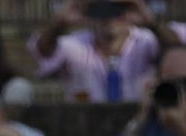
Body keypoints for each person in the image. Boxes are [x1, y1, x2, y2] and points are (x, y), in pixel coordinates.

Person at [28, 0, 177, 103]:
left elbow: (178, 50)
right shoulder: (75, 44)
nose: (110, 17)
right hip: (86, 125)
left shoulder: (147, 41)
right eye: (102, 9)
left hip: (138, 123)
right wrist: (58, 23)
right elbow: (44, 52)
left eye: (117, 9)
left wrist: (151, 23)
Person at [105, 43, 186, 136]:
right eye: (171, 83)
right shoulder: (153, 123)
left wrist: (181, 129)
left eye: (183, 82)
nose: (179, 90)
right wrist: (141, 118)